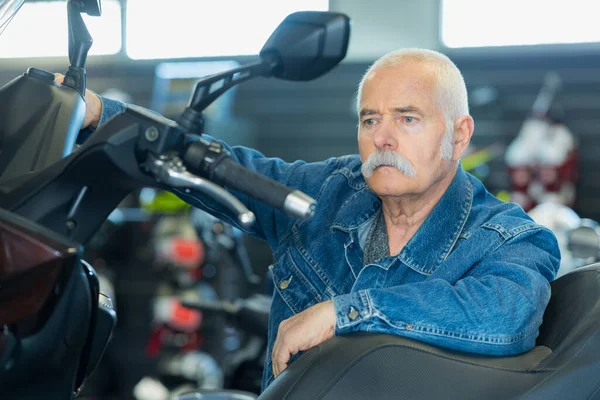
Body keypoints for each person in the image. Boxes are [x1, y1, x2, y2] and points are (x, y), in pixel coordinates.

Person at [75, 48, 560, 391]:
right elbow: (224, 167)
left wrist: (344, 312)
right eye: (370, 120)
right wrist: (101, 114)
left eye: (408, 118)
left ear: (459, 136)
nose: (383, 138)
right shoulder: (330, 192)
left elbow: (505, 316)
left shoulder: (508, 237)